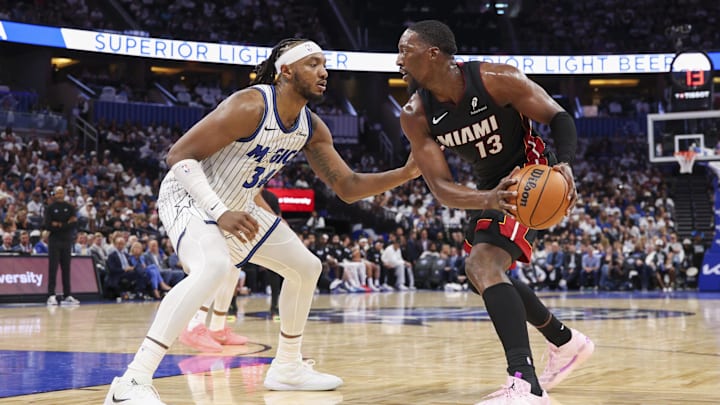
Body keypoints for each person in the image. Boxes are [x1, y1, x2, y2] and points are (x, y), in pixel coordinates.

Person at [105, 37, 419, 404]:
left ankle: (287, 367)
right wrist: (219, 212)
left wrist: (407, 172)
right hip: (189, 196)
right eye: (313, 64)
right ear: (285, 70)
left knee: (306, 267)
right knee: (214, 268)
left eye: (324, 64)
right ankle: (131, 381)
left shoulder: (312, 127)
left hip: (238, 203)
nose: (324, 72)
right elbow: (179, 156)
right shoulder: (250, 104)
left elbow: (347, 187)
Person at [396, 20, 594, 404]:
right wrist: (487, 199)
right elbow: (440, 187)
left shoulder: (494, 79)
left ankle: (525, 384)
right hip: (493, 190)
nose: (398, 59)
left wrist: (565, 165)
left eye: (406, 50)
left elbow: (559, 117)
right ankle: (565, 341)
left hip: (533, 178)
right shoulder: (415, 113)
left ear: (433, 54)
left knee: (483, 267)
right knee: (481, 273)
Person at [45, 186, 80, 305]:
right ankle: (51, 295)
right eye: (57, 192)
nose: (60, 194)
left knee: (66, 269)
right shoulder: (50, 208)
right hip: (54, 241)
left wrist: (59, 225)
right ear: (54, 194)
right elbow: (48, 225)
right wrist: (65, 223)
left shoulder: (70, 207)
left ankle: (67, 295)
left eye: (61, 192)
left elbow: (74, 223)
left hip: (66, 240)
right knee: (53, 269)